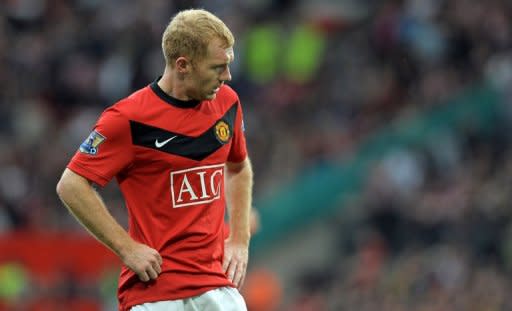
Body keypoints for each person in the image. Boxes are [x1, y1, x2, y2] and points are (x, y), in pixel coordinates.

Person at [56, 9, 253, 311]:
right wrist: (127, 248)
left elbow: (238, 167)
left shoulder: (227, 103)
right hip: (155, 292)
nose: (226, 76)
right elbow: (71, 185)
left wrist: (239, 239)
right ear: (183, 65)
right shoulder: (128, 119)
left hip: (216, 285)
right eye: (217, 68)